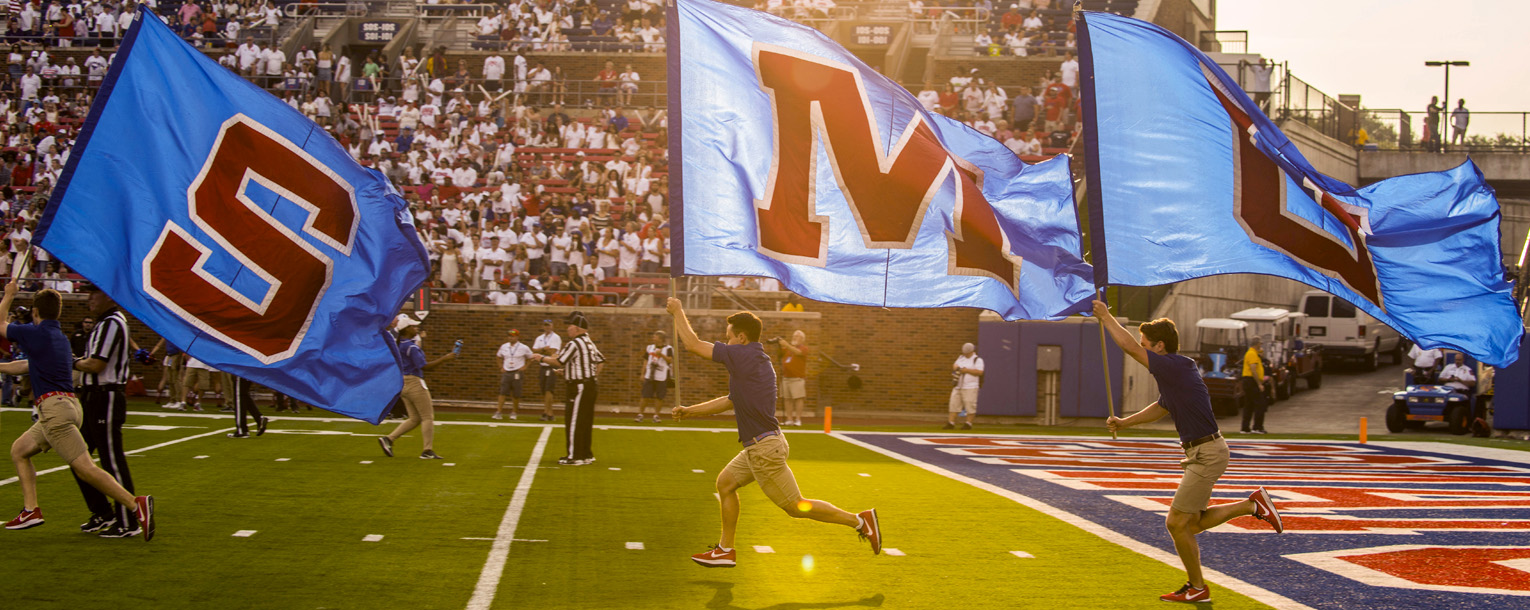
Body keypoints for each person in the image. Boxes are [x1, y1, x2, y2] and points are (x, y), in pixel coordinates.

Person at [666, 298, 882, 568]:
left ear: (742, 337)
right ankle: (725, 550)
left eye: (729, 337)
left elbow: (693, 345)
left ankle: (860, 521)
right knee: (725, 483)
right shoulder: (753, 359)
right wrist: (690, 411)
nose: (727, 342)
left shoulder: (744, 355)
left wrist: (677, 311)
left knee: (795, 507)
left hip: (764, 449)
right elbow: (730, 400)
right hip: (760, 446)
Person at [1092, 299, 1283, 603]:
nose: (1142, 348)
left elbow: (1128, 347)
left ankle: (1198, 587)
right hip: (1202, 452)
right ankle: (1252, 507)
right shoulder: (1174, 373)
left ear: (1159, 346)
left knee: (1175, 523)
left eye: (1146, 344)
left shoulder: (1175, 365)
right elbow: (1161, 407)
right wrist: (1125, 423)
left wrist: (1106, 317)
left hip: (1207, 452)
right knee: (1190, 524)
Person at [1, 284, 156, 541]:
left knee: (85, 468)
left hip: (54, 410)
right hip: (69, 406)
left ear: (36, 311)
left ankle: (134, 504)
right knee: (19, 450)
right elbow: (24, 366)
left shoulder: (35, 332)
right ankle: (31, 510)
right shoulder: (59, 338)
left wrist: (8, 293)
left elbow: (1, 326)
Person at [69, 284, 141, 537]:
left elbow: (97, 364)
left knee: (111, 459)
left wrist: (71, 361)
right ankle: (102, 512)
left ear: (108, 295)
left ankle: (129, 519)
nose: (89, 299)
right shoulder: (103, 323)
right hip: (93, 397)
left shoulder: (112, 322)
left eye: (94, 293)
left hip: (106, 396)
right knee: (78, 458)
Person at [377, 314, 456, 460]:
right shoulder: (411, 347)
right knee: (427, 417)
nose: (416, 328)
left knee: (414, 418)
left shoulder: (400, 345)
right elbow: (424, 366)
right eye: (413, 326)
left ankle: (389, 438)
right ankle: (427, 450)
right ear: (406, 330)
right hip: (414, 382)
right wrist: (445, 358)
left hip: (403, 382)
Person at [532, 311, 604, 465]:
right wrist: (574, 373)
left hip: (579, 386)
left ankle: (574, 456)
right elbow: (600, 360)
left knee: (574, 420)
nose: (567, 329)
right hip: (589, 384)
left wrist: (541, 358)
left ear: (577, 328)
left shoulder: (575, 343)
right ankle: (585, 454)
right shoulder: (589, 342)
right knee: (585, 421)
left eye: (570, 326)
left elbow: (559, 361)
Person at [494, 329, 533, 420]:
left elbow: (531, 357)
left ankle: (514, 412)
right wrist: (501, 367)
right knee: (502, 392)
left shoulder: (524, 347)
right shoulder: (504, 346)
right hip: (506, 372)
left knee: (516, 393)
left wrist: (525, 366)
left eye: (513, 336)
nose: (511, 337)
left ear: (517, 337)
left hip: (517, 372)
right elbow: (498, 356)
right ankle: (498, 412)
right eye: (509, 336)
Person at [635, 330, 673, 423]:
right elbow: (645, 361)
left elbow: (670, 361)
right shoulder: (649, 347)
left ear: (661, 339)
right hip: (649, 375)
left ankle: (656, 415)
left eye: (655, 337)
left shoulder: (668, 349)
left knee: (660, 397)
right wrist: (642, 373)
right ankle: (640, 414)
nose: (653, 338)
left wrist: (661, 355)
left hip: (661, 376)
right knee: (645, 396)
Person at [774, 330, 809, 426]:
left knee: (798, 399)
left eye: (797, 336)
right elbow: (779, 355)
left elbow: (798, 352)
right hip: (786, 378)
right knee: (787, 399)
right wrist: (780, 345)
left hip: (797, 378)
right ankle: (789, 419)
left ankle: (798, 419)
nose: (794, 337)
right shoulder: (787, 349)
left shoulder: (804, 348)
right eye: (794, 336)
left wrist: (786, 345)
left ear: (802, 339)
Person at [945, 342, 983, 430]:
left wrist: (966, 370)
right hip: (958, 385)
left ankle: (968, 423)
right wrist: (958, 369)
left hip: (970, 386)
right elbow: (954, 365)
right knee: (953, 404)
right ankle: (951, 423)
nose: (965, 354)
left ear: (971, 351)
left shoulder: (977, 360)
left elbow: (980, 372)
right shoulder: (961, 358)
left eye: (967, 352)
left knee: (970, 405)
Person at [532, 319, 562, 422]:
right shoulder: (539, 338)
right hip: (542, 366)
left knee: (549, 389)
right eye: (545, 325)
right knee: (544, 390)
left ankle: (546, 412)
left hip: (551, 366)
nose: (547, 327)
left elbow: (553, 352)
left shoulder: (555, 337)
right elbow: (534, 351)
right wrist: (544, 349)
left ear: (552, 326)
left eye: (549, 325)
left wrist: (541, 351)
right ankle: (550, 413)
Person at [1239, 337, 1270, 434]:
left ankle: (1245, 427)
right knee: (1260, 404)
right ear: (1256, 343)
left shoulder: (1253, 353)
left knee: (1249, 404)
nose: (1261, 345)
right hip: (1251, 381)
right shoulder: (1252, 354)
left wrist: (1261, 353)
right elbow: (1253, 369)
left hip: (1248, 381)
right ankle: (1257, 427)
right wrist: (1259, 384)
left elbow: (1261, 356)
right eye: (1260, 343)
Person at [227, 375, 268, 439]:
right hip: (247, 370)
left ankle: (242, 430)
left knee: (239, 396)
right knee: (243, 395)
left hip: (241, 371)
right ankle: (259, 418)